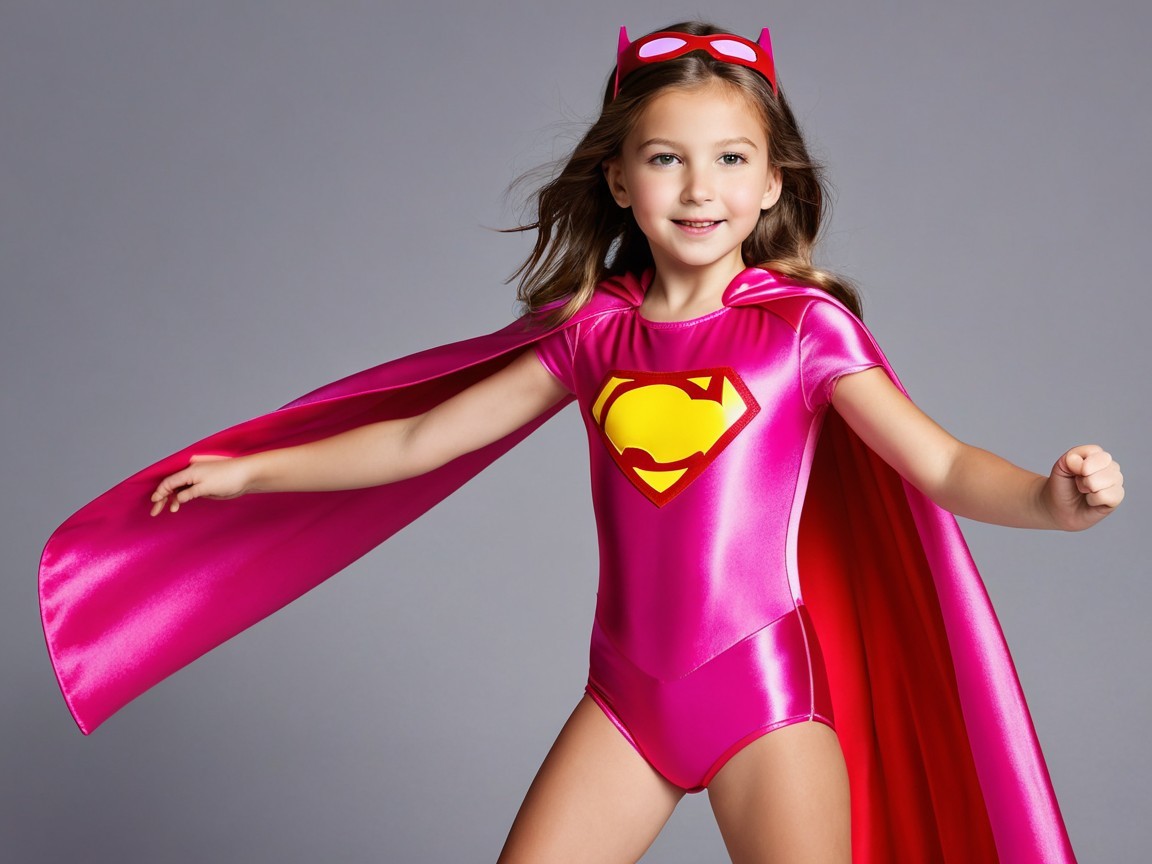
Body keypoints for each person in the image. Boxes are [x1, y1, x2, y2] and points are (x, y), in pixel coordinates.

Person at [41, 21, 1124, 864]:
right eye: (666, 158)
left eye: (730, 159)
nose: (700, 188)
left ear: (771, 182)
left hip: (764, 703)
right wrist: (253, 472)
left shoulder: (801, 330)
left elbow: (936, 466)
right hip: (626, 701)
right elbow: (421, 439)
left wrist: (1049, 497)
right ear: (619, 179)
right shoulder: (594, 335)